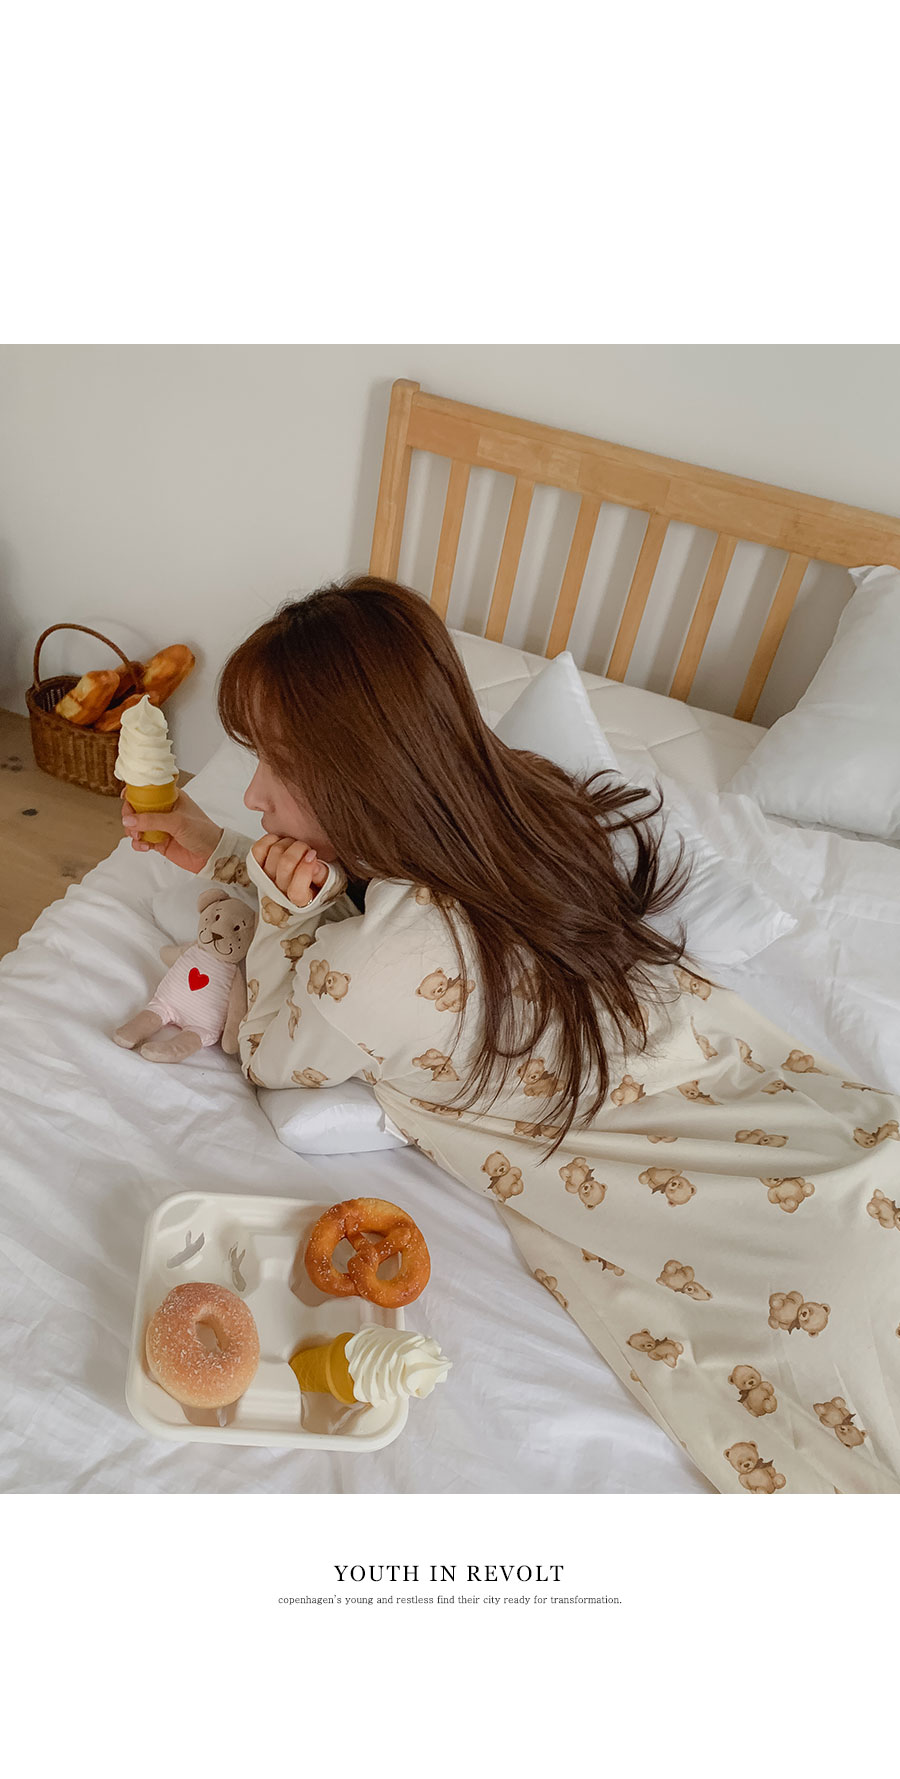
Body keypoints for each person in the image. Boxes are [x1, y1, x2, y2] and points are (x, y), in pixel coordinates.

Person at [122, 575, 900, 1494]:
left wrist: (286, 918)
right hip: (806, 1127)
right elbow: (352, 886)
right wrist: (227, 852)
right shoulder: (524, 795)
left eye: (278, 766)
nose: (254, 794)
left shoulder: (377, 965)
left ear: (361, 771)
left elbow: (270, 1051)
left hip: (790, 1254)